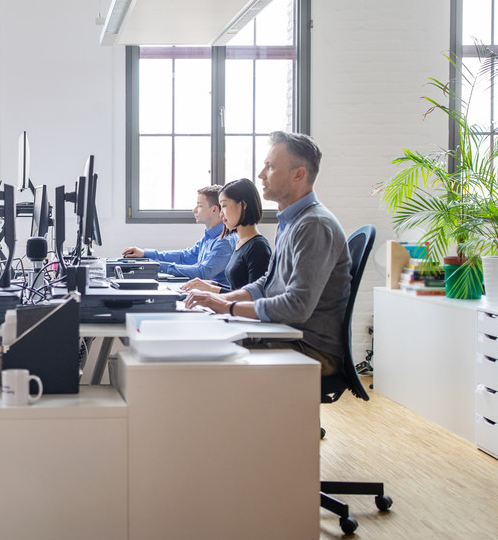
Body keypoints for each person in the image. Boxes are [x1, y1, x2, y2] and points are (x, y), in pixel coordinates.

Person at [185, 132, 351, 376]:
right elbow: (267, 284)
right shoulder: (291, 221)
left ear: (299, 174)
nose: (261, 175)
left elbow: (297, 306)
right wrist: (223, 301)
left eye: (270, 167)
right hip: (287, 334)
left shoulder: (314, 225)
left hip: (310, 348)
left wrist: (227, 308)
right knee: (197, 342)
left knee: (202, 357)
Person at [122, 185, 236, 288]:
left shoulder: (224, 241)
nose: (194, 210)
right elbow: (185, 256)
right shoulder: (209, 236)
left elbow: (202, 273)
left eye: (199, 206)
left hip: (215, 297)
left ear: (214, 209)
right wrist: (145, 254)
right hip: (203, 291)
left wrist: (155, 265)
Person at [181, 178, 272, 293]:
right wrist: (210, 285)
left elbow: (255, 298)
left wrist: (213, 289)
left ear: (243, 205)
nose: (221, 213)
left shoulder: (258, 247)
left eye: (224, 206)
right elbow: (238, 289)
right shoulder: (240, 242)